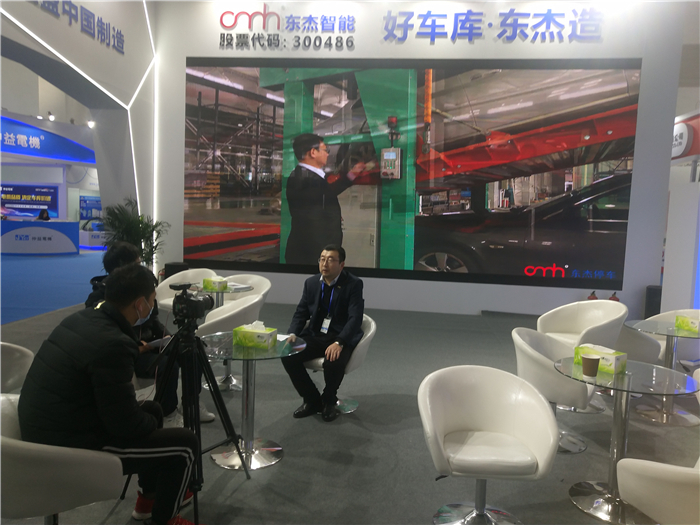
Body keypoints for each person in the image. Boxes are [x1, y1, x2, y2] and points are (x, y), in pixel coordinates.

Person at [18, 263, 200, 525]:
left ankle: (148, 499)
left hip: (46, 428)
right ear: (140, 305)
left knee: (153, 410)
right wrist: (149, 425)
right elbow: (124, 424)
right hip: (66, 446)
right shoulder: (114, 344)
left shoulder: (82, 319)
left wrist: (148, 420)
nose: (152, 308)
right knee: (185, 445)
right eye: (151, 301)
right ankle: (167, 520)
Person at [85, 242, 215, 425]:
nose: (142, 268)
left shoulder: (143, 290)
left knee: (192, 351)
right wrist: (136, 346)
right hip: (128, 352)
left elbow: (153, 322)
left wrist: (168, 338)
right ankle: (168, 414)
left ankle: (191, 404)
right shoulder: (100, 299)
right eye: (137, 264)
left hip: (151, 344)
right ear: (123, 269)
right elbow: (105, 337)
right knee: (168, 366)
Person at [282, 244, 364, 422]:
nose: (325, 264)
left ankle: (329, 400)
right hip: (316, 334)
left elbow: (355, 318)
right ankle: (312, 400)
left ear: (341, 265)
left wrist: (340, 342)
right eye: (322, 259)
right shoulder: (311, 283)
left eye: (330, 260)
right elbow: (301, 312)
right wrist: (292, 333)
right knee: (288, 355)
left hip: (340, 336)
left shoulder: (353, 284)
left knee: (333, 362)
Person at [285, 133, 364, 265]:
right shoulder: (305, 180)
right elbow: (312, 224)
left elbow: (326, 194)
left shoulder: (308, 176)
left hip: (311, 253)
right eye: (325, 150)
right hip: (311, 256)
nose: (327, 154)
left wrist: (352, 174)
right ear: (313, 152)